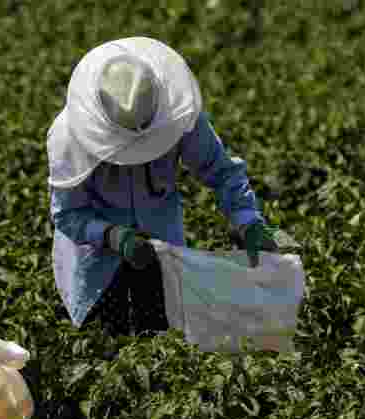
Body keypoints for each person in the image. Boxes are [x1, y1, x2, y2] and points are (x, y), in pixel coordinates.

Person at [47, 36, 299, 337]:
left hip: (163, 246)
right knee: (106, 344)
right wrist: (112, 236)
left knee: (164, 337)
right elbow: (67, 214)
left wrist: (248, 221)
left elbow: (221, 172)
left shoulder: (177, 116)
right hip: (99, 265)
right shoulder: (69, 138)